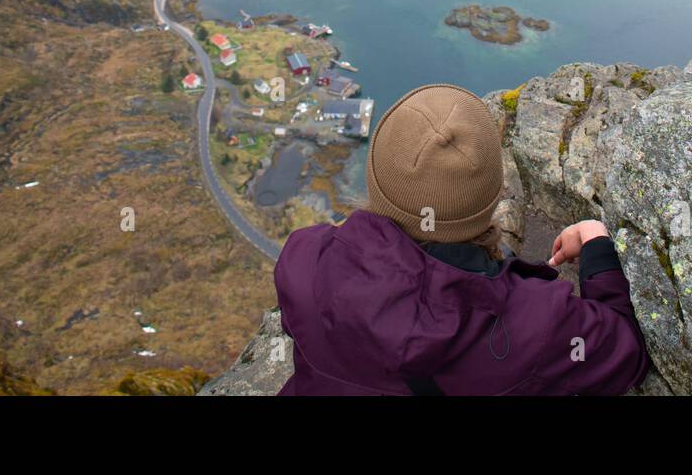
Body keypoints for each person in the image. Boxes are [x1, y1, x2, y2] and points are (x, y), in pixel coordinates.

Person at [273, 83, 650, 395]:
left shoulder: (304, 260)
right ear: (492, 197)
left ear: (375, 179)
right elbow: (626, 352)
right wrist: (595, 239)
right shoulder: (537, 327)